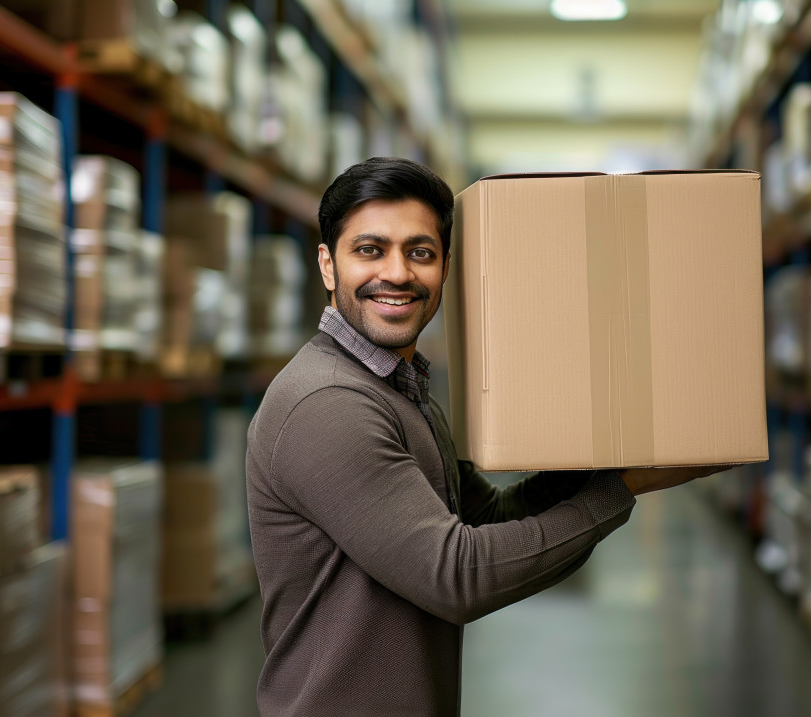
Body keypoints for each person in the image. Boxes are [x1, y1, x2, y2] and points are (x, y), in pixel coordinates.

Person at [246, 157, 719, 716]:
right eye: (369, 250)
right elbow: (456, 577)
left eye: (420, 252)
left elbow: (488, 518)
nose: (396, 273)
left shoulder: (399, 388)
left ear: (446, 266)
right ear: (328, 265)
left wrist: (619, 467)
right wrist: (621, 490)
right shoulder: (328, 404)